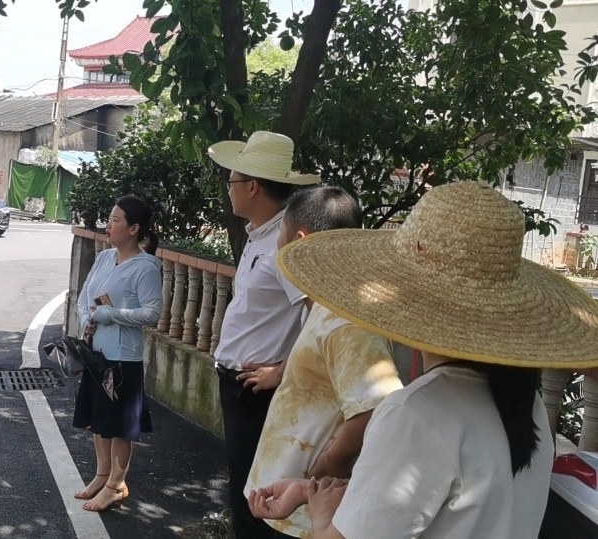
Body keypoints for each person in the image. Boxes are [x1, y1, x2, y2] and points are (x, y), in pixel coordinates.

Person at [247, 181, 598, 538]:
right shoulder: (527, 405)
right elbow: (436, 504)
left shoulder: (415, 415)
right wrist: (308, 491)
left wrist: (323, 516)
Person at [245, 186, 403, 538]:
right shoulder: (329, 303)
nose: (277, 250)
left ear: (300, 241)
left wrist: (323, 470)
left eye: (280, 237)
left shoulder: (346, 320)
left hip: (308, 514)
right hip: (291, 500)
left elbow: (376, 408)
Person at [206, 130, 321, 538]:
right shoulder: (259, 235)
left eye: (232, 181)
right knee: (243, 487)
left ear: (252, 186)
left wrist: (282, 371)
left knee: (255, 499)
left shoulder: (283, 244)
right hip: (236, 382)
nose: (229, 189)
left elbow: (317, 313)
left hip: (256, 390)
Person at [71, 195, 163, 512]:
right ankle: (102, 475)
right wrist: (87, 319)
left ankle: (115, 485)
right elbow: (84, 296)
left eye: (115, 220)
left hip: (124, 358)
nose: (108, 225)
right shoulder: (105, 257)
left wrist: (111, 315)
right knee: (99, 420)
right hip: (97, 354)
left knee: (120, 425)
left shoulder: (146, 267)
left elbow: (152, 313)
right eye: (109, 219)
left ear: (134, 229)